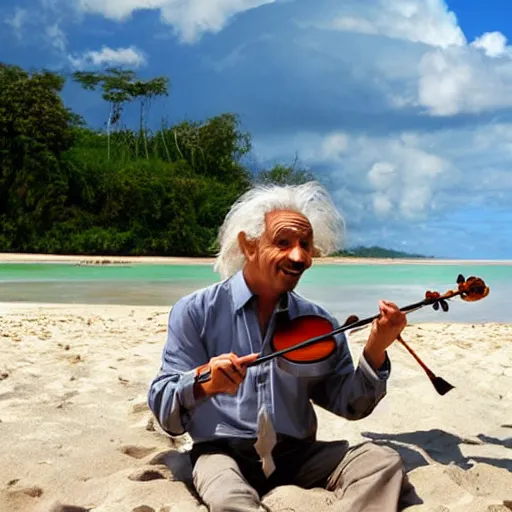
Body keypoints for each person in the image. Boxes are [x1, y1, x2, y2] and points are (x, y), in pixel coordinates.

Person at [148, 181, 419, 512]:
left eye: (306, 245)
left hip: (297, 455)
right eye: (284, 242)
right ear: (248, 247)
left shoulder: (319, 322)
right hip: (222, 453)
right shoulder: (195, 311)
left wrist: (376, 349)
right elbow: (165, 410)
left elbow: (349, 405)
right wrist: (205, 382)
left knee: (381, 461)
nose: (299, 256)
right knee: (228, 498)